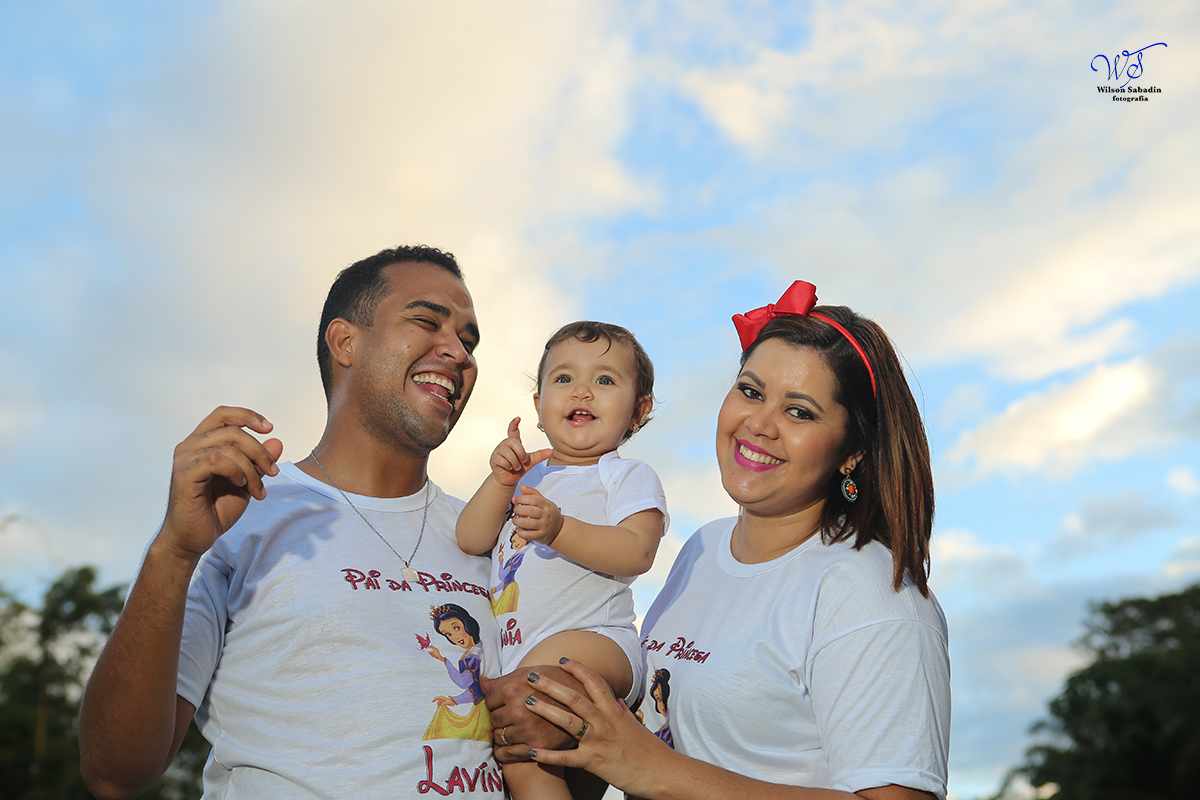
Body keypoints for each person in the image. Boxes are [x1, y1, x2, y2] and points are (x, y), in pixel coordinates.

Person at [79, 246, 512, 799]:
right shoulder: (235, 516)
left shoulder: (498, 536)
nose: (458, 352)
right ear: (345, 342)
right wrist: (174, 552)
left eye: (469, 341)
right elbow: (115, 773)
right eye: (427, 322)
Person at [499, 280, 951, 800]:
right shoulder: (702, 550)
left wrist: (652, 768)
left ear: (853, 452)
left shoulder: (870, 595)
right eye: (751, 392)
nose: (759, 424)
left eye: (799, 411)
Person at [455, 320, 669, 799]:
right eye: (564, 378)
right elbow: (470, 538)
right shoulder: (526, 477)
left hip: (598, 640)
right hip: (524, 653)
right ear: (539, 405)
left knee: (520, 742)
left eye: (605, 380)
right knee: (560, 771)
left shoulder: (624, 475)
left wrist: (559, 530)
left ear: (639, 411)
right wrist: (500, 482)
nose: (582, 391)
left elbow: (637, 550)